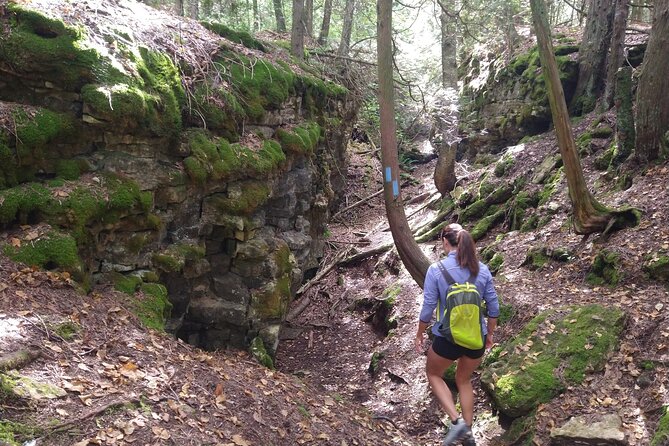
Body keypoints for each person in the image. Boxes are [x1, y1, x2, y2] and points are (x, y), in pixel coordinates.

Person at [414, 223, 499, 446]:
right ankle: (468, 433)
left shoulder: (436, 270)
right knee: (464, 380)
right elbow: (494, 308)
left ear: (445, 242)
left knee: (433, 374)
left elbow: (428, 306)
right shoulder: (482, 270)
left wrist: (420, 333)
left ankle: (456, 421)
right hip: (475, 339)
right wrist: (488, 335)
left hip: (448, 339)